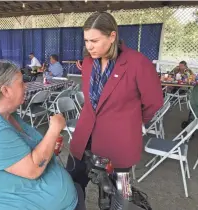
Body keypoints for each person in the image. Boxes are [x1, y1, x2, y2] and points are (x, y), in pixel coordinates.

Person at [0, 60, 86, 210]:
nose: (25, 86)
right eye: (21, 83)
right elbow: (33, 169)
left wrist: (49, 146)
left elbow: (27, 147)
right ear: (5, 91)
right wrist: (54, 129)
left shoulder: (7, 114)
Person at [66, 12, 164, 195]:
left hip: (118, 142)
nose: (89, 46)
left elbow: (154, 102)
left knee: (119, 194)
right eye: (86, 40)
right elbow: (90, 99)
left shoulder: (137, 63)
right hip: (84, 137)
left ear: (112, 36)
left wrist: (130, 120)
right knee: (71, 186)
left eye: (94, 41)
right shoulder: (88, 62)